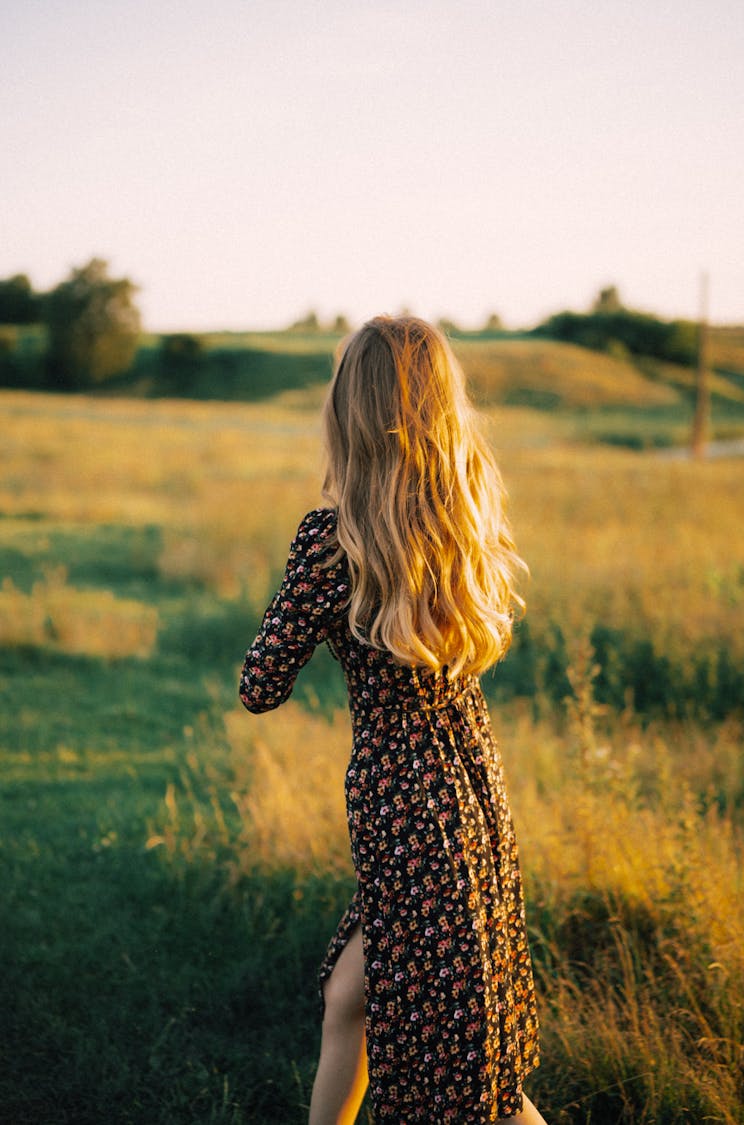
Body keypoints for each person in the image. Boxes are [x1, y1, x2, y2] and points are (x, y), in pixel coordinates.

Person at [240, 316, 547, 1124]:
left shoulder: (333, 541)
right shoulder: (461, 518)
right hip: (473, 794)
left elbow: (259, 685)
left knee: (468, 1073)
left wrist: (301, 611)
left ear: (349, 412)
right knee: (356, 995)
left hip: (405, 809)